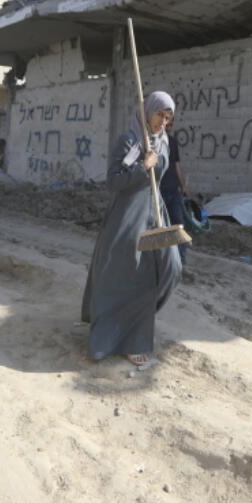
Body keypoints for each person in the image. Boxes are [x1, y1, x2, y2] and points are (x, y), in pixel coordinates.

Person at [81, 91, 183, 366]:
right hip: (126, 219)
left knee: (171, 267)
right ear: (147, 112)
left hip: (154, 214)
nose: (164, 121)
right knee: (129, 279)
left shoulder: (163, 143)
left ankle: (136, 323)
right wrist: (142, 167)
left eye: (168, 116)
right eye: (160, 114)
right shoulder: (129, 140)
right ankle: (120, 341)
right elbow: (114, 181)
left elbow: (161, 180)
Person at [159, 118, 190, 265]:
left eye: (171, 125)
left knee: (179, 225)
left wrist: (183, 185)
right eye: (167, 125)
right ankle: (163, 261)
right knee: (161, 227)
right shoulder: (153, 142)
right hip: (159, 192)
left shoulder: (172, 142)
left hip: (174, 191)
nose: (169, 128)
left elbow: (176, 165)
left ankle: (180, 261)